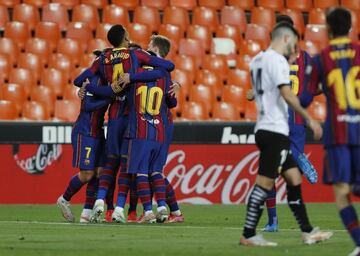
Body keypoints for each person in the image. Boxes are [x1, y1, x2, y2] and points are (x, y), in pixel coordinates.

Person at [240, 22, 333, 246]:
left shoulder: (257, 60)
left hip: (267, 127)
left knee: (293, 178)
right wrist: (309, 118)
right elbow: (286, 93)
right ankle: (248, 234)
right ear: (285, 38)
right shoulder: (277, 60)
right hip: (275, 130)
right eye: (291, 41)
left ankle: (307, 231)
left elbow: (261, 92)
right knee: (264, 183)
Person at [73, 24, 175, 222]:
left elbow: (79, 80)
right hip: (132, 119)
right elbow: (167, 68)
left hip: (113, 117)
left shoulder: (103, 59)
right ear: (126, 36)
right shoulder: (135, 56)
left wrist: (91, 88)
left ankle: (100, 202)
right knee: (131, 166)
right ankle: (126, 208)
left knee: (110, 162)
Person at [309, 7, 360, 256]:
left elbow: (306, 95)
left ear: (328, 29)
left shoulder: (322, 58)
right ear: (350, 27)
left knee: (342, 192)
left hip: (337, 133)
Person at [110, 35, 178, 223]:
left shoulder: (137, 71)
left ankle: (146, 210)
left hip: (140, 128)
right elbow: (172, 101)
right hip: (161, 128)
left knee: (138, 171)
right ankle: (167, 208)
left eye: (149, 46)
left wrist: (129, 77)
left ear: (154, 49)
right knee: (156, 172)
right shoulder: (165, 73)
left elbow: (119, 91)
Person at [261, 15, 318, 233]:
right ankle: (297, 156)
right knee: (289, 172)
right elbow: (316, 86)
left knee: (269, 173)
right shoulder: (305, 57)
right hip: (298, 119)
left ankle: (273, 221)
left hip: (277, 121)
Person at [56, 55, 109, 222]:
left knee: (99, 173)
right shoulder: (91, 79)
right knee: (87, 174)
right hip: (85, 132)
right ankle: (64, 199)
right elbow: (87, 106)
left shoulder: (108, 80)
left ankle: (86, 214)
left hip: (98, 131)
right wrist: (109, 98)